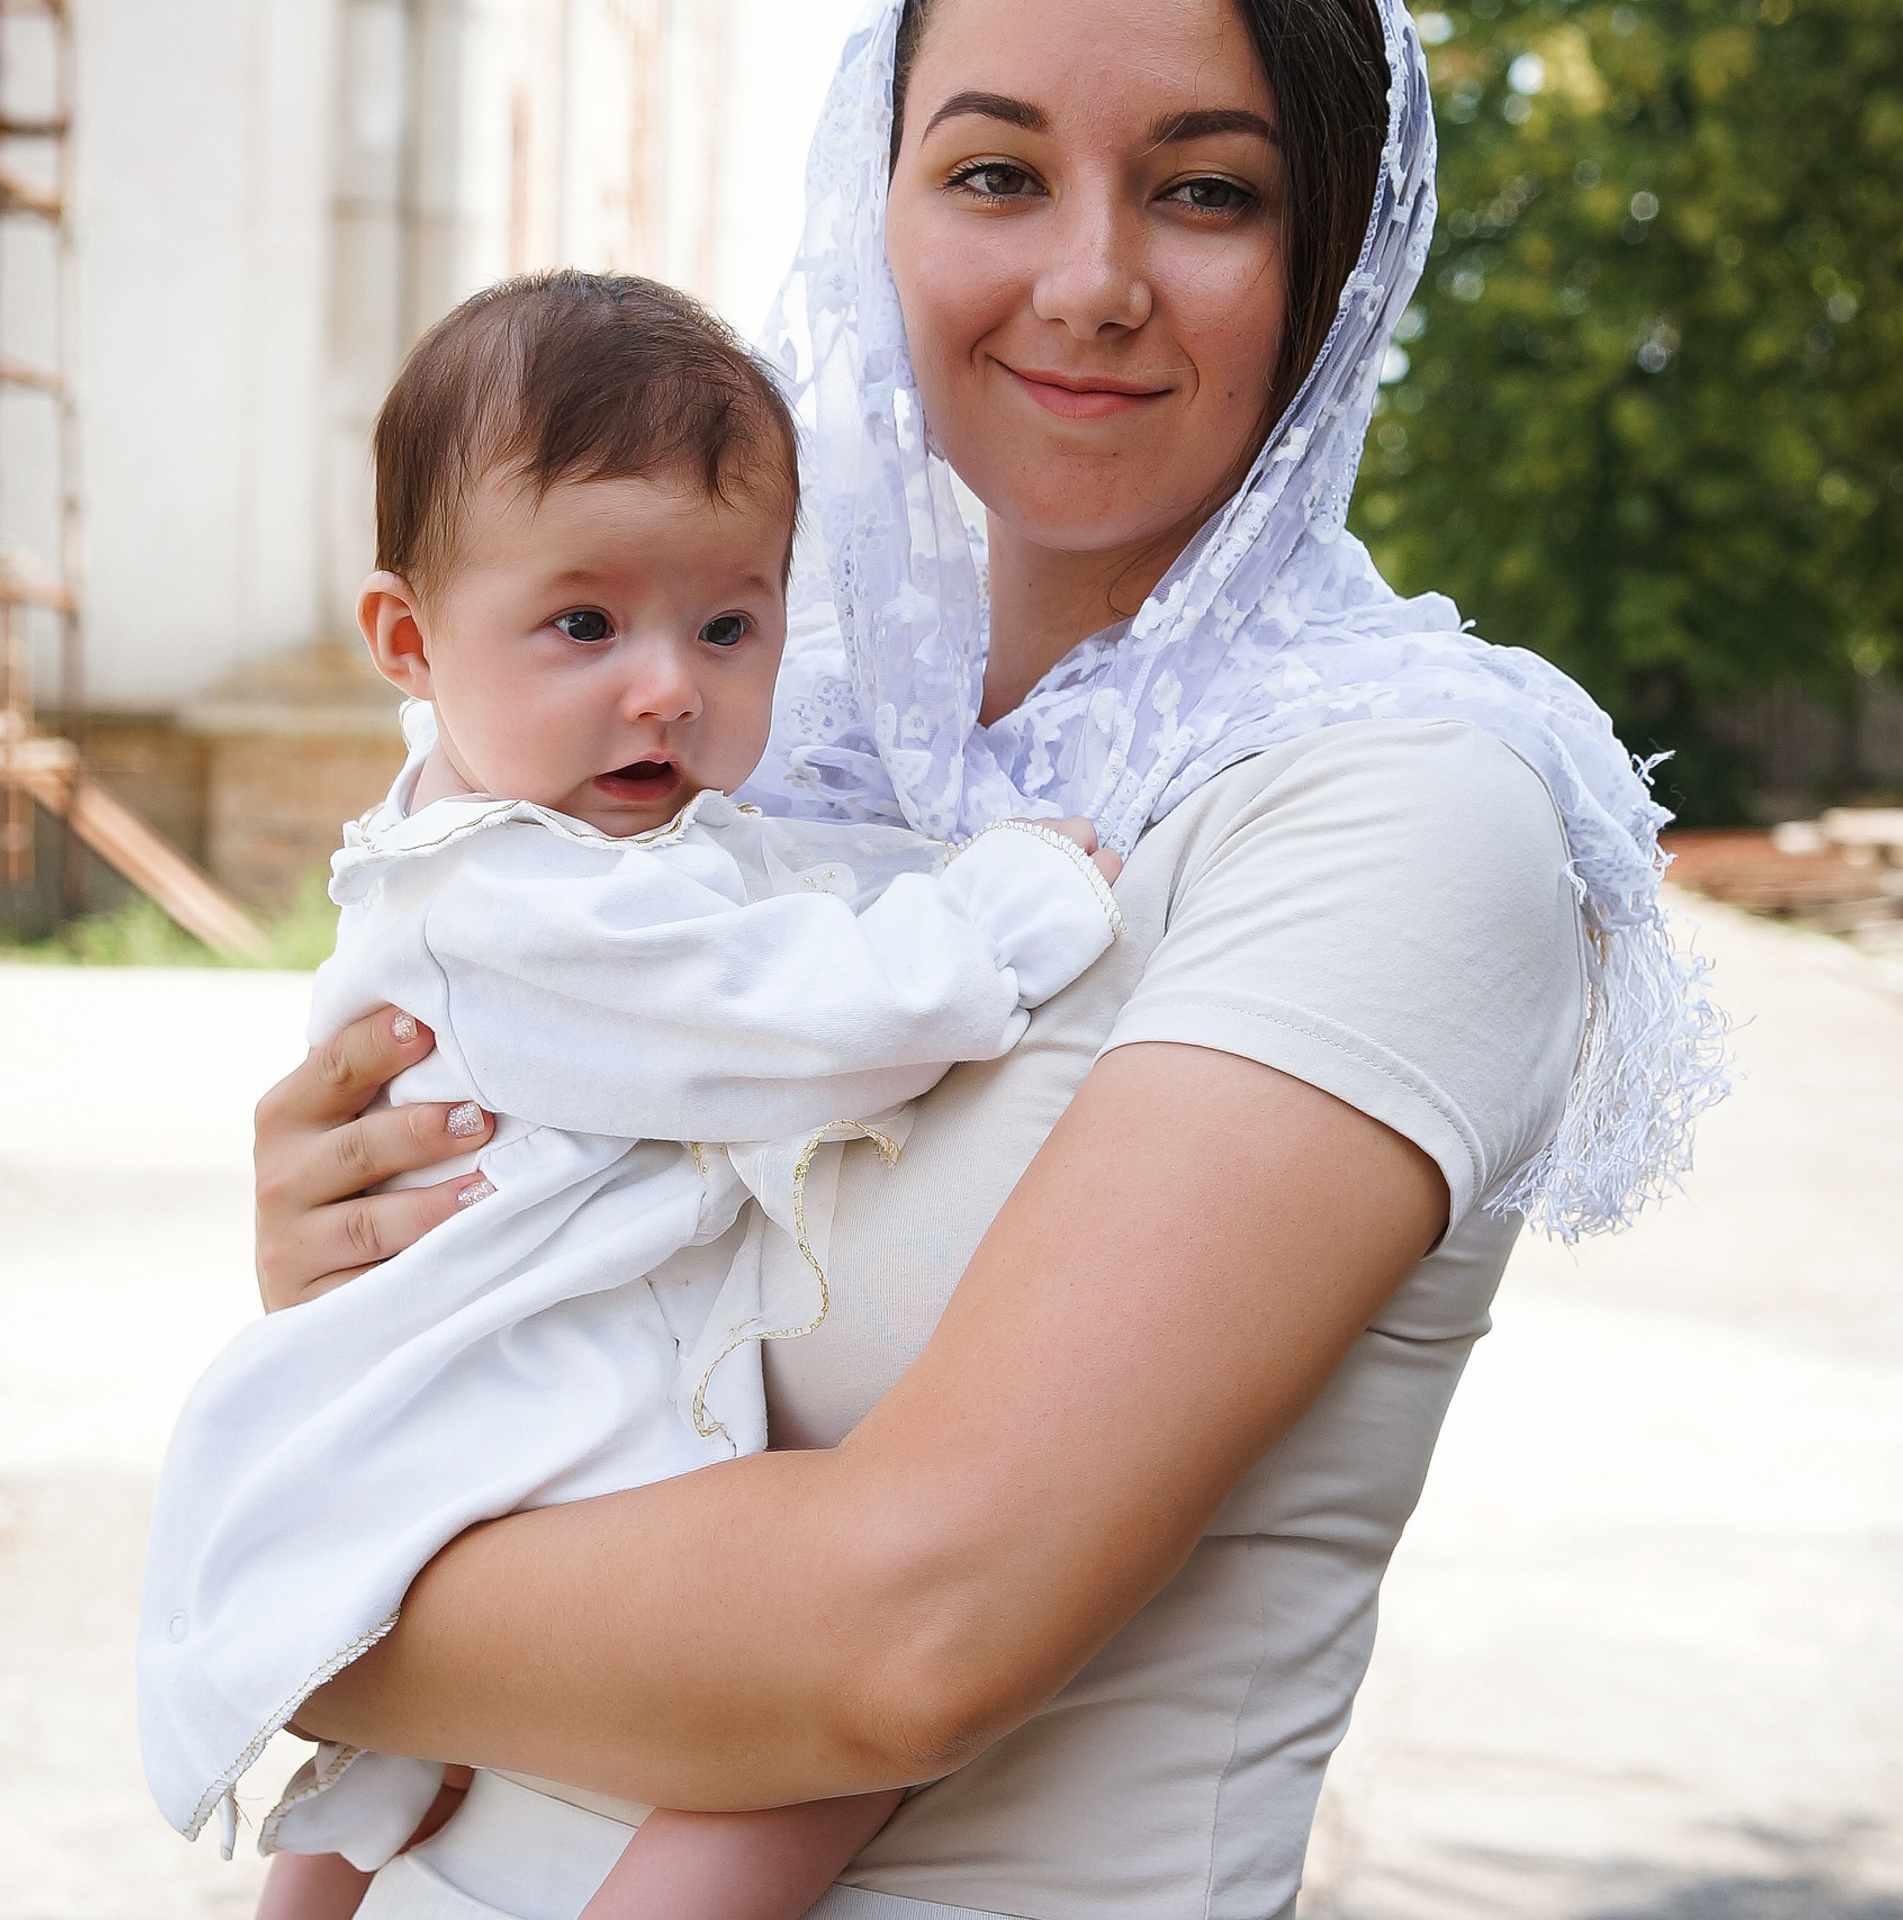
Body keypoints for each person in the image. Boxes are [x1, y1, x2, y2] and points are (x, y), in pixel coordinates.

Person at [249, 1, 1730, 1915]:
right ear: (877, 205)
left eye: (1205, 190)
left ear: (1335, 254)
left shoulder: (1395, 805)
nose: (1092, 279)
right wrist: (339, 1261)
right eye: (996, 172)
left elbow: (907, 1637)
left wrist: (280, 1589)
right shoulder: (750, 727)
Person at [136, 273, 1123, 1920]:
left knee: (403, 1755)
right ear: (406, 638)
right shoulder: (512, 898)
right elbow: (792, 1015)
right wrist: (1015, 901)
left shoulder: (572, 832)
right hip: (517, 1394)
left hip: (492, 1380)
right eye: (586, 625)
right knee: (818, 1739)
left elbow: (784, 880)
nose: (667, 684)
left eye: (726, 626)